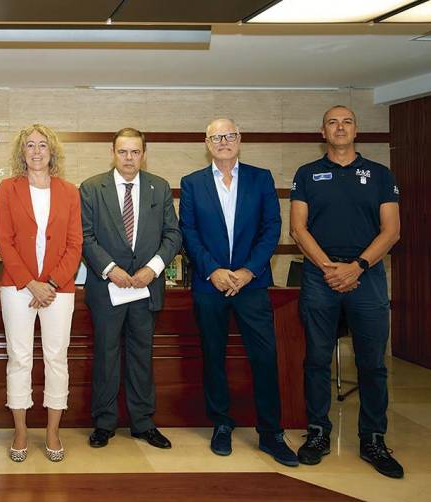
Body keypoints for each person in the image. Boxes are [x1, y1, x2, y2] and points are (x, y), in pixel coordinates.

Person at [290, 105, 403, 479]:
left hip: (366, 276)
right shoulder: (306, 175)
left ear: (357, 130)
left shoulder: (381, 175)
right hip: (320, 275)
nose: (340, 128)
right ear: (322, 131)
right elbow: (298, 229)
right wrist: (329, 268)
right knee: (317, 360)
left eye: (347, 122)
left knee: (372, 364)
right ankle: (318, 432)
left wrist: (357, 267)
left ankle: (373, 438)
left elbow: (391, 231)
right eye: (333, 122)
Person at [179, 118, 297, 466]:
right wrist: (213, 270)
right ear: (207, 142)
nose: (224, 141)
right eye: (217, 137)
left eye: (229, 135)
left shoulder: (260, 178)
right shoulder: (192, 183)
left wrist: (248, 271)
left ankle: (271, 432)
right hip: (209, 284)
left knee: (264, 357)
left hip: (252, 284)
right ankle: (222, 424)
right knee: (213, 356)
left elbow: (271, 227)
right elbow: (189, 230)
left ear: (240, 139)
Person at [80, 127, 181, 450]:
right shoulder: (92, 188)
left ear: (143, 154)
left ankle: (143, 423)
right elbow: (85, 236)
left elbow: (173, 236)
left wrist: (152, 270)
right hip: (108, 288)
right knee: (106, 356)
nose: (128, 158)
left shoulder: (159, 187)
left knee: (142, 356)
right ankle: (104, 422)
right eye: (123, 152)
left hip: (145, 288)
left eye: (135, 152)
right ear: (113, 152)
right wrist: (112, 269)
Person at [0, 124, 81, 463]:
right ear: (22, 152)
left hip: (59, 290)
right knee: (19, 358)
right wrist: (31, 282)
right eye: (29, 145)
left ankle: (52, 430)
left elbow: (75, 244)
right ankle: (20, 430)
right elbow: (6, 241)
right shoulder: (7, 188)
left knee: (56, 358)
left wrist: (51, 284)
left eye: (42, 145)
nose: (36, 151)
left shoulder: (69, 191)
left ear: (52, 151)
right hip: (18, 287)